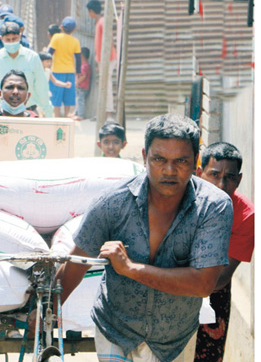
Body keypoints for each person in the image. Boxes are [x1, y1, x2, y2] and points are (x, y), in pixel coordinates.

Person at [53, 113, 233, 362]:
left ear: (195, 164)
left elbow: (203, 284)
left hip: (174, 339)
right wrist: (48, 312)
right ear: (144, 157)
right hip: (116, 330)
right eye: (159, 159)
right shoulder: (113, 203)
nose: (169, 170)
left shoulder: (214, 206)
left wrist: (130, 268)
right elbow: (76, 263)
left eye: (181, 160)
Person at [193, 142, 255, 362]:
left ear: (238, 180)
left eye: (229, 177)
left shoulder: (246, 216)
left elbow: (220, 278)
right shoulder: (181, 199)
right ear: (200, 174)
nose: (220, 184)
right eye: (214, 175)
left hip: (213, 294)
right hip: (166, 287)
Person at [0, 21, 53, 117]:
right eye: (8, 40)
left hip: (28, 112)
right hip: (2, 113)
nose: (11, 42)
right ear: (1, 39)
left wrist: (47, 111)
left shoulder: (32, 58)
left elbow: (41, 87)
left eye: (14, 39)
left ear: (20, 36)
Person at [87, 0, 117, 118]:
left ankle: (108, 113)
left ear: (91, 11)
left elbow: (108, 40)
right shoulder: (99, 22)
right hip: (104, 59)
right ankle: (104, 113)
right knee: (104, 85)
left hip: (108, 58)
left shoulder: (102, 22)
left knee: (106, 85)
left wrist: (104, 60)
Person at [47, 16, 82, 117]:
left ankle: (56, 116)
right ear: (74, 30)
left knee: (56, 95)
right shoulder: (75, 41)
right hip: (70, 71)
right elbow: (78, 58)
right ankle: (67, 115)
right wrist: (78, 71)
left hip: (57, 70)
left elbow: (50, 53)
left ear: (61, 27)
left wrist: (46, 64)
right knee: (68, 95)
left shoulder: (56, 37)